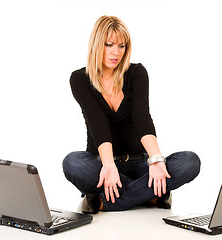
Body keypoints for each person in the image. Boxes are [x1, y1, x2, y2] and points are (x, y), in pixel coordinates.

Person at [62, 15, 200, 213]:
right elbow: (97, 122)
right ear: (97, 44)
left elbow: (142, 117)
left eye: (121, 46)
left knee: (189, 161)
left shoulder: (137, 73)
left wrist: (156, 161)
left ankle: (110, 200)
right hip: (102, 164)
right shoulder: (79, 79)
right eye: (109, 45)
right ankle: (151, 194)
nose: (116, 53)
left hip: (139, 164)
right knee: (72, 163)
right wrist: (109, 166)